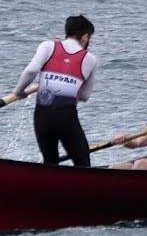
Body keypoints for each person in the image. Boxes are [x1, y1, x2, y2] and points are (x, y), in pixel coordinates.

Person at [13, 14, 98, 167]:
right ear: (85, 37)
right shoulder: (90, 58)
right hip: (66, 117)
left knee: (50, 161)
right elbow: (84, 96)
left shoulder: (47, 46)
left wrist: (19, 91)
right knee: (82, 162)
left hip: (42, 116)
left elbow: (31, 71)